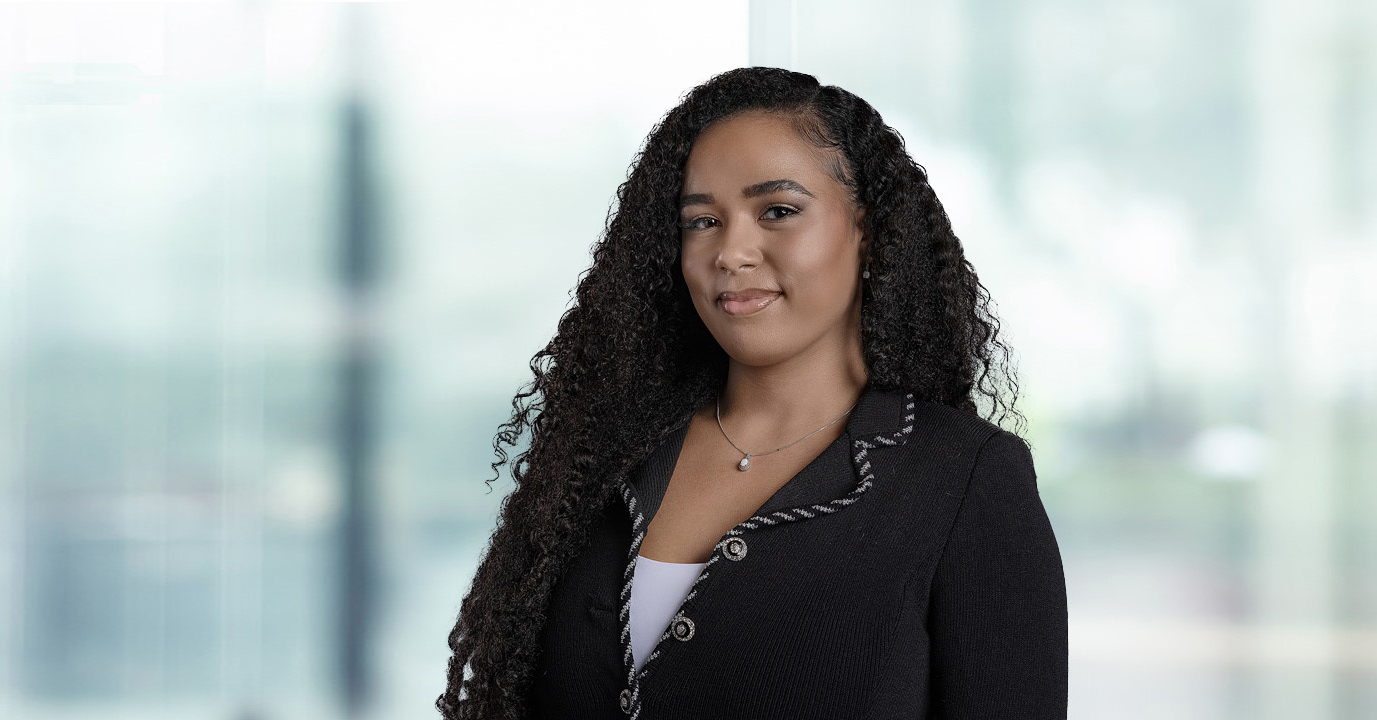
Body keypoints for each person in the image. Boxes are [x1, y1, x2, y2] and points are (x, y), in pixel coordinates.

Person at [434, 67, 1066, 719]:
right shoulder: (606, 461)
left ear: (868, 231)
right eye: (702, 221)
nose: (731, 251)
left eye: (779, 211)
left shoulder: (965, 482)